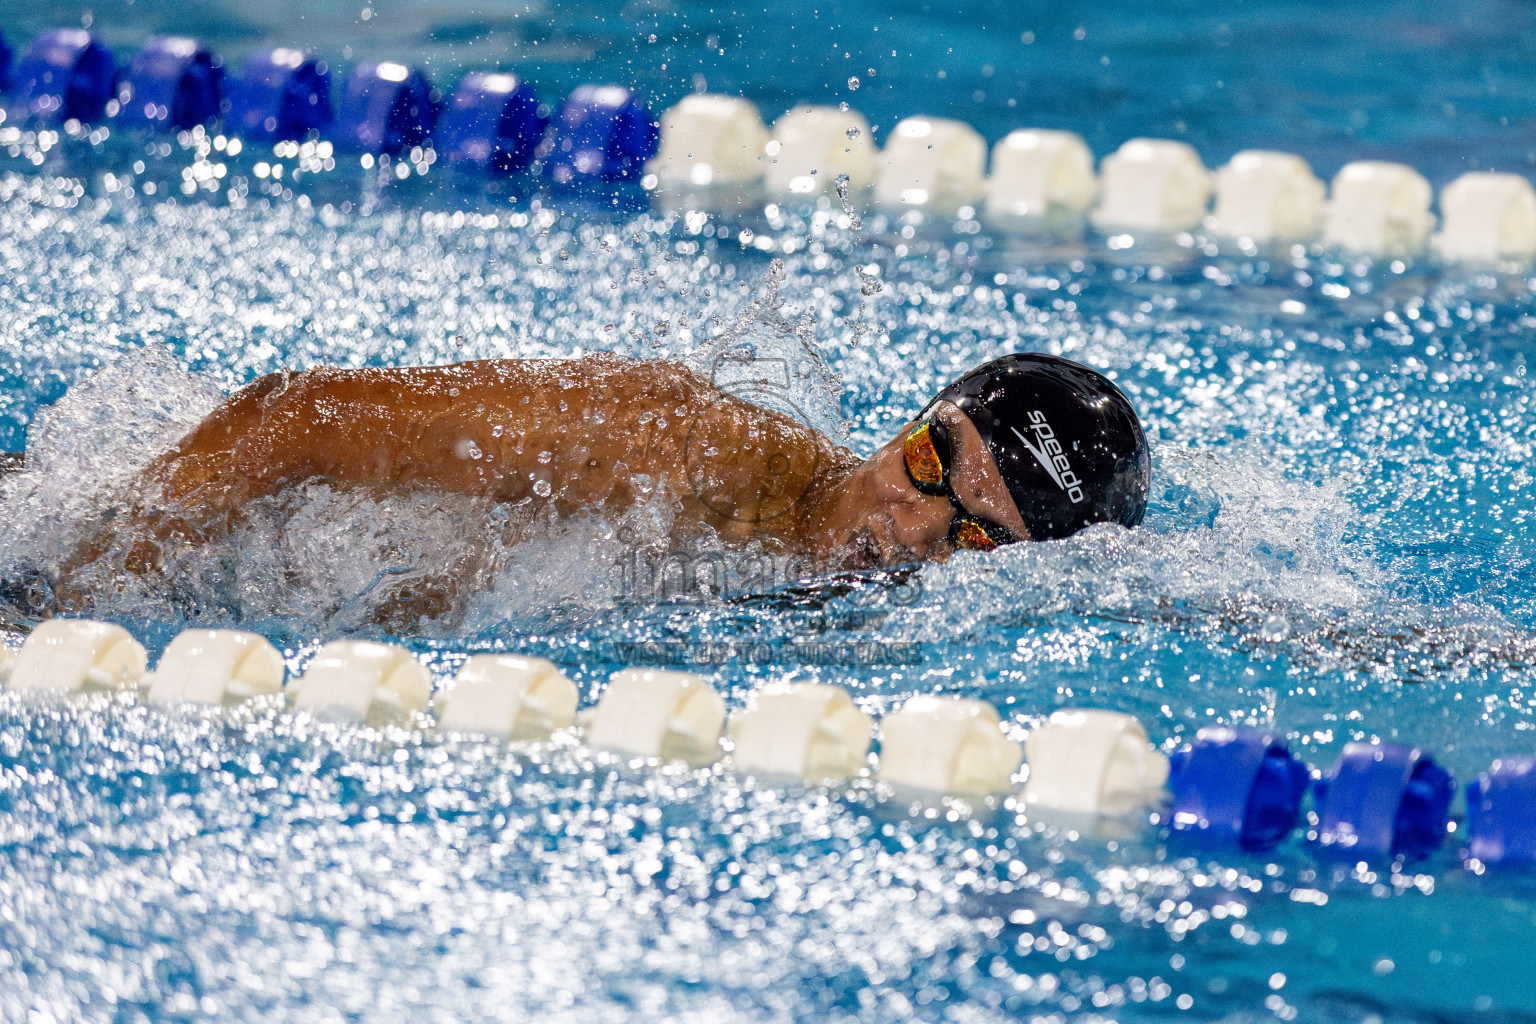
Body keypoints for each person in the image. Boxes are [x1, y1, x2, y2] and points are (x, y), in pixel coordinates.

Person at [49, 350, 1149, 603]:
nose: (911, 527)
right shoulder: (674, 452)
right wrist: (59, 596)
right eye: (925, 464)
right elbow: (293, 418)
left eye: (972, 538)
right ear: (913, 419)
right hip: (153, 542)